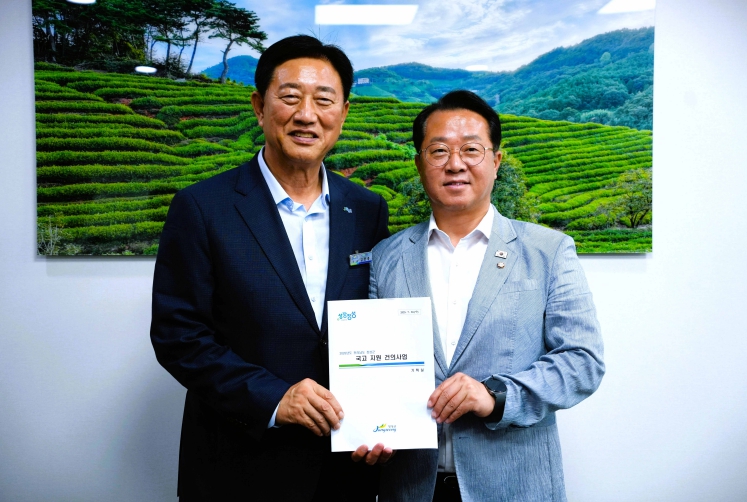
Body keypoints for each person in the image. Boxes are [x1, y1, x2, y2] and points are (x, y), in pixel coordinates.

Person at [150, 35, 392, 501]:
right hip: (240, 467)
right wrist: (274, 398)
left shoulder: (366, 208)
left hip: (346, 468)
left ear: (343, 114)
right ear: (260, 106)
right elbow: (179, 336)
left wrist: (386, 419)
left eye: (324, 100)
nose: (307, 114)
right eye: (290, 96)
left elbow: (377, 320)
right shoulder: (203, 207)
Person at [369, 90, 605, 501]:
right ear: (419, 164)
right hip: (410, 486)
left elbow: (582, 361)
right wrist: (368, 427)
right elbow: (372, 367)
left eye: (471, 149)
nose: (454, 163)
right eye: (438, 150)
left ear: (496, 161)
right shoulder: (385, 257)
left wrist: (495, 397)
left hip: (513, 486)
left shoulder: (548, 251)